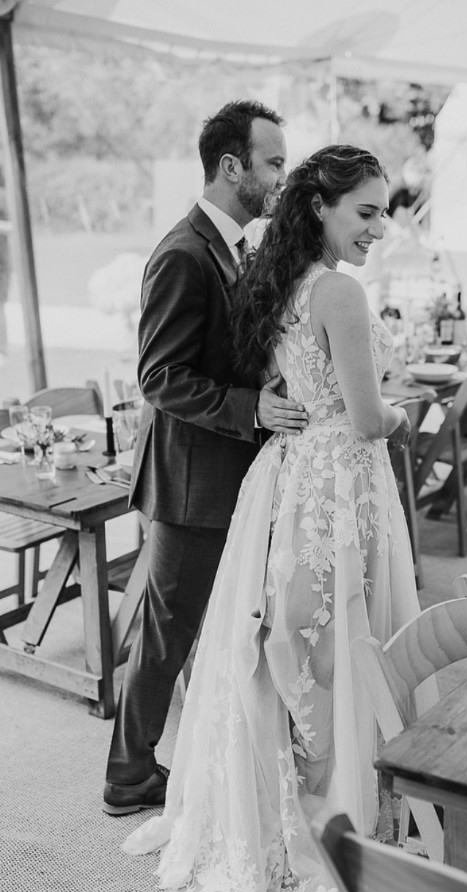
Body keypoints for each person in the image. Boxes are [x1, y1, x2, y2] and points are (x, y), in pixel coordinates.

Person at [121, 145, 420, 892]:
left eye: (383, 213)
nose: (379, 229)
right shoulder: (339, 292)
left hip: (292, 476)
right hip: (339, 480)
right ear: (320, 207)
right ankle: (341, 815)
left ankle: (304, 806)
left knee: (297, 647)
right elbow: (367, 419)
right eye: (366, 212)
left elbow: (297, 385)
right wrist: (402, 412)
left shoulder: (277, 283)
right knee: (343, 644)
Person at [103, 100, 308, 815]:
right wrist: (250, 407)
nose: (282, 177)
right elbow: (160, 377)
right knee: (167, 633)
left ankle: (212, 752)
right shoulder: (182, 254)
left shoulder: (236, 247)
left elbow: (223, 350)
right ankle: (127, 776)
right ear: (232, 166)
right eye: (273, 162)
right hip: (190, 484)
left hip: (229, 474)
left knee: (215, 624)